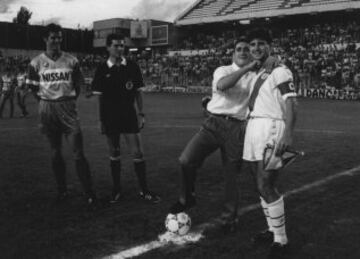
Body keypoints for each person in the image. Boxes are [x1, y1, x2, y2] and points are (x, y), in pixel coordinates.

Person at [169, 37, 260, 226]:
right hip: (214, 124)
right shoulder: (223, 70)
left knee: (231, 176)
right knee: (186, 160)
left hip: (236, 127)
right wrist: (248, 68)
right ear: (233, 54)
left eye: (246, 49)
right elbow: (222, 85)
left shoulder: (255, 77)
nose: (243, 52)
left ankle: (229, 219)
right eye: (239, 49)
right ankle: (187, 197)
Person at [26, 23, 96, 205]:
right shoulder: (35, 63)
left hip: (68, 108)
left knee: (78, 152)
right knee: (55, 151)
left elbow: (78, 85)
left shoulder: (72, 60)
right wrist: (46, 101)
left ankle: (89, 192)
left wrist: (68, 100)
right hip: (47, 108)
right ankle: (62, 190)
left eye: (59, 37)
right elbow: (33, 89)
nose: (56, 40)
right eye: (53, 37)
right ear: (45, 39)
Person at [242, 28, 297, 258]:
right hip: (254, 128)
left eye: (261, 43)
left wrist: (287, 135)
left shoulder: (280, 71)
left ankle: (281, 240)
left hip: (272, 129)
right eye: (252, 44)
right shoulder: (257, 72)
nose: (255, 48)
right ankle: (272, 229)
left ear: (270, 46)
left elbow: (291, 104)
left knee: (267, 185)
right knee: (259, 185)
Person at [90, 33, 160, 204]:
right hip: (109, 116)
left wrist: (141, 113)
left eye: (122, 45)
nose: (120, 48)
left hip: (129, 115)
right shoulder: (101, 69)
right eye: (116, 45)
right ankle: (116, 190)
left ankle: (144, 190)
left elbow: (137, 93)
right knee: (114, 152)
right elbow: (100, 98)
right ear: (108, 47)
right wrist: (100, 120)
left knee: (137, 152)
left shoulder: (132, 66)